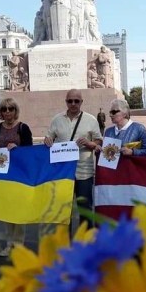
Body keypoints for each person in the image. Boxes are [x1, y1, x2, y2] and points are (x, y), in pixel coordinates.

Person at [44, 89, 102, 231]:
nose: (73, 103)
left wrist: (90, 144)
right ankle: (65, 244)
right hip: (63, 173)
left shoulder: (91, 120)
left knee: (85, 209)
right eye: (70, 101)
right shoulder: (57, 119)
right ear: (66, 102)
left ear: (82, 102)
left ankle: (87, 244)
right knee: (64, 211)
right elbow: (48, 137)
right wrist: (48, 140)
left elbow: (99, 141)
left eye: (77, 101)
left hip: (84, 172)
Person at [0, 98, 33, 257]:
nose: (7, 112)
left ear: (15, 111)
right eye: (4, 109)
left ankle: (19, 244)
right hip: (2, 173)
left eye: (10, 109)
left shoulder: (23, 128)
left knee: (18, 210)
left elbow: (29, 152)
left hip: (19, 174)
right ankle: (9, 243)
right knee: (6, 210)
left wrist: (18, 149)